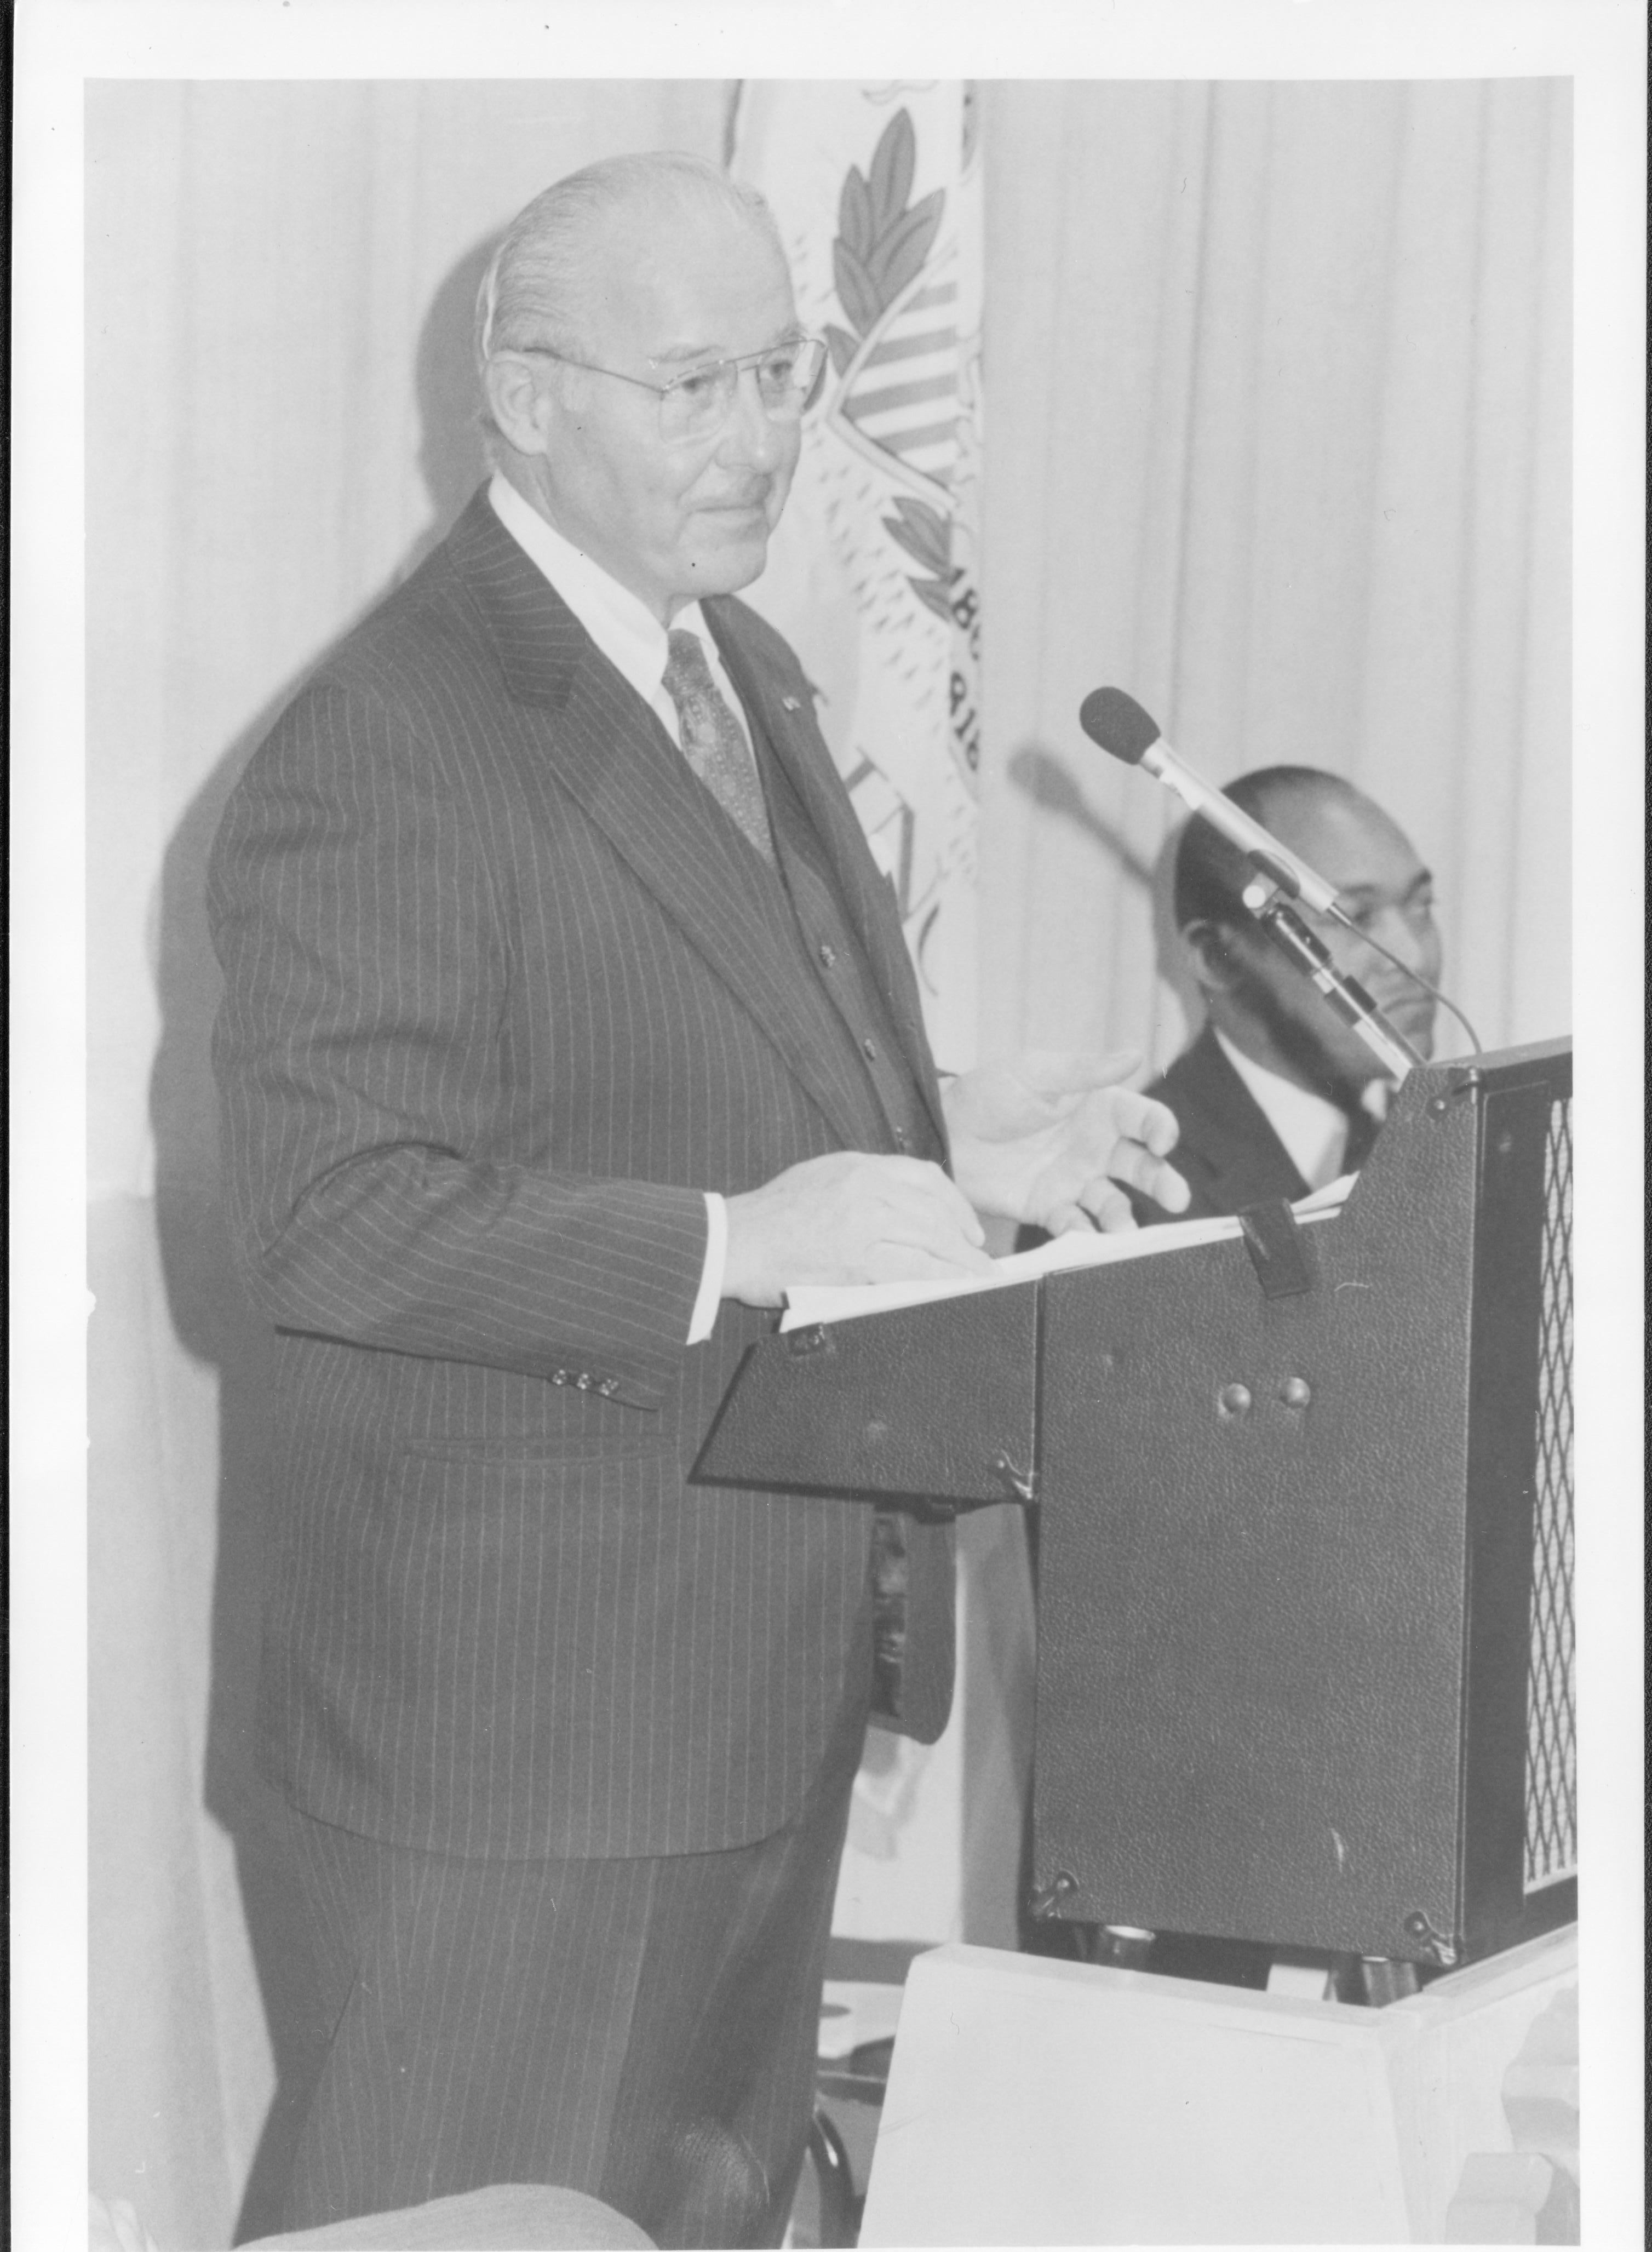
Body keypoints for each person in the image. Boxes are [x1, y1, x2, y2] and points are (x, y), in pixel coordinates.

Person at [208, 151, 1188, 2248]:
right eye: (694, 385)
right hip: (520, 1754)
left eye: (784, 371)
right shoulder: (384, 738)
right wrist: (752, 1239)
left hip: (743, 1687)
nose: (761, 435)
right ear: (528, 396)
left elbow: (712, 1059)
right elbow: (332, 1216)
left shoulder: (726, 656)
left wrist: (952, 1152)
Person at [1134, 765, 1441, 1222]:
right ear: (1217, 957)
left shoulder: (1439, 1135)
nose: (1414, 957)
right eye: (1353, 918)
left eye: (1421, 906)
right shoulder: (1135, 1191)